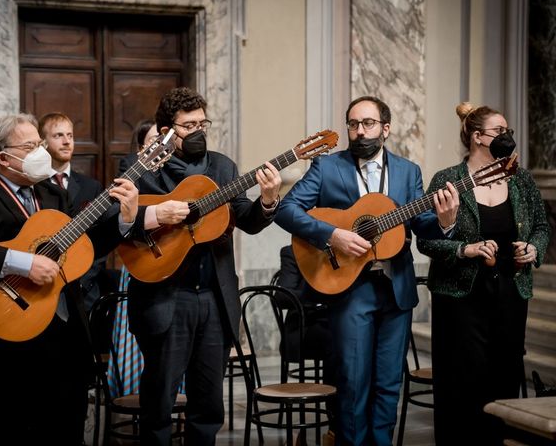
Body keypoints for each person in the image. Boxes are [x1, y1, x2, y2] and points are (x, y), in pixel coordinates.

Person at [0, 113, 139, 446]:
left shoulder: (52, 195)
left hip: (62, 339)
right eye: (31, 145)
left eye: (40, 144)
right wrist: (21, 263)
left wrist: (125, 220)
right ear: (3, 157)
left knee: (66, 431)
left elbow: (82, 249)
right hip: (2, 342)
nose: (42, 152)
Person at [274, 96, 460, 446]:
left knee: (389, 383)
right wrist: (333, 234)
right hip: (350, 288)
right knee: (353, 382)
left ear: (385, 128)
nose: (359, 132)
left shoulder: (408, 171)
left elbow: (422, 225)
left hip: (396, 288)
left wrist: (445, 223)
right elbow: (286, 210)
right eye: (353, 124)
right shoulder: (327, 168)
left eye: (368, 124)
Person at [124, 86, 282, 445]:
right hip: (166, 296)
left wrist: (269, 199)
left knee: (209, 402)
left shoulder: (223, 166)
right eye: (188, 125)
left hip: (214, 297)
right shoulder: (143, 168)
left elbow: (248, 219)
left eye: (202, 123)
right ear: (167, 130)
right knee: (159, 401)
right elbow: (115, 222)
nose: (198, 130)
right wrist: (157, 215)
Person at [417, 102, 551, 446]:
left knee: (505, 375)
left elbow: (541, 224)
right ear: (477, 137)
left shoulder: (519, 179)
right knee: (463, 380)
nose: (507, 137)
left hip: (510, 291)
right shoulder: (447, 180)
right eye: (500, 131)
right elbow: (427, 240)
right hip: (460, 298)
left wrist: (533, 248)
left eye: (508, 131)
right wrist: (465, 249)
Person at [38, 112, 118, 312]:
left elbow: (100, 240)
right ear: (43, 143)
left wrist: (84, 279)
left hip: (86, 289)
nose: (67, 142)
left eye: (70, 135)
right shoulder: (34, 186)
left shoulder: (91, 187)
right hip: (41, 287)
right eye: (58, 136)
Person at [276, 244, 333, 387]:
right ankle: (335, 402)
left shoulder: (342, 250)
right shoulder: (292, 252)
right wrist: (320, 295)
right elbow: (282, 297)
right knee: (339, 338)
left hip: (334, 320)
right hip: (304, 325)